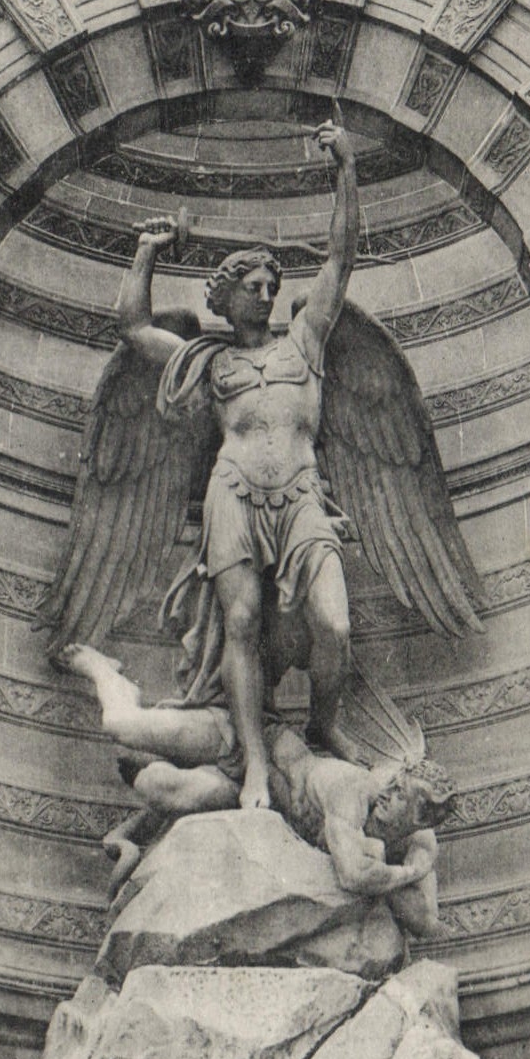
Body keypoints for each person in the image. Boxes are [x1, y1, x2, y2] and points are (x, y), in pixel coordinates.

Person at [117, 108, 359, 814]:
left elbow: (340, 258)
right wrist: (145, 251)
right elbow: (131, 327)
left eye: (271, 282)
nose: (266, 290)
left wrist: (346, 168)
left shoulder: (305, 341)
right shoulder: (208, 358)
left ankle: (322, 722)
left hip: (300, 495)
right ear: (223, 296)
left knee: (334, 624)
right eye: (251, 283)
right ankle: (254, 766)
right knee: (244, 623)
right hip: (233, 494)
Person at [62, 644, 452, 939]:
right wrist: (407, 872)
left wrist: (395, 867)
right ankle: (107, 675)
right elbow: (352, 875)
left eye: (400, 795)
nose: (387, 793)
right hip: (251, 744)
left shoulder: (421, 841)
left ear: (421, 817)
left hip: (252, 799)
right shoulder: (354, 792)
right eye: (394, 783)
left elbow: (426, 921)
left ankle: (145, 803)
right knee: (120, 725)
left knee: (156, 786)